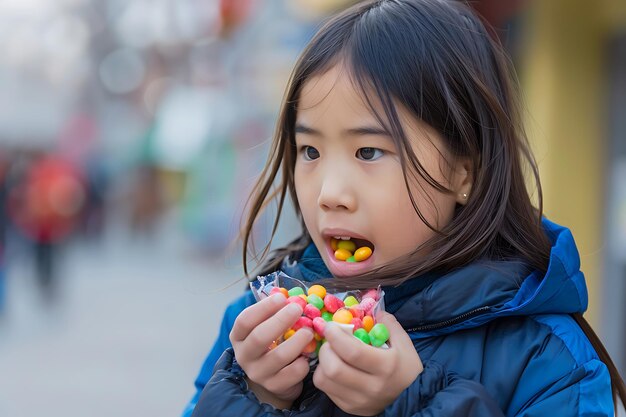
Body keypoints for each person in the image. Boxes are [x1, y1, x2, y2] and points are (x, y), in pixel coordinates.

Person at [183, 0, 626, 415]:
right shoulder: (257, 329)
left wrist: (414, 402)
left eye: (369, 152)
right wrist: (257, 396)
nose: (329, 194)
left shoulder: (548, 359)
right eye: (310, 152)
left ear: (463, 174)